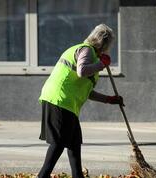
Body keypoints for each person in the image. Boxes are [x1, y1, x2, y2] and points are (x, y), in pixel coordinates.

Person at [38, 24, 124, 178]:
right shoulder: (86, 50)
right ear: (104, 43)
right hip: (59, 99)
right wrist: (101, 64)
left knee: (74, 144)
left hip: (68, 104)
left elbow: (86, 91)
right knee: (58, 143)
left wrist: (109, 99)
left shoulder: (93, 57)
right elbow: (82, 71)